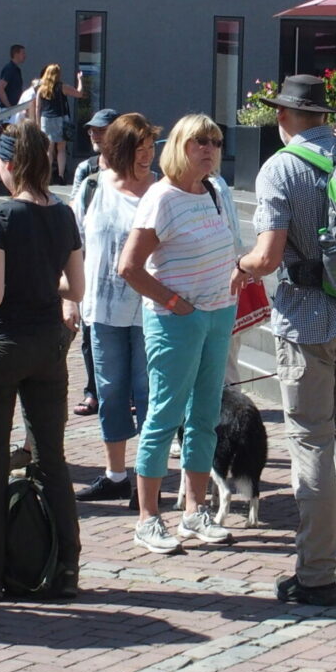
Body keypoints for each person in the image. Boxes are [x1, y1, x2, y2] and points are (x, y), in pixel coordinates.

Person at [234, 75, 336, 605]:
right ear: (323, 115)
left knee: (310, 443)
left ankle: (315, 573)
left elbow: (266, 256)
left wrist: (238, 266)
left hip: (306, 322)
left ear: (285, 116)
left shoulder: (280, 167)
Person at [0, 120, 83, 601]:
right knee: (52, 458)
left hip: (1, 345)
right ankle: (66, 567)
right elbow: (76, 287)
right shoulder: (64, 213)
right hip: (48, 344)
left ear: (7, 164)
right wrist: (39, 276)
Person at [118, 115, 238, 553]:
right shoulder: (161, 198)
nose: (208, 148)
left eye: (216, 141)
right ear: (179, 146)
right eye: (198, 141)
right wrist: (175, 304)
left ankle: (194, 509)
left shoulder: (213, 191)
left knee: (206, 416)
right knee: (164, 416)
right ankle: (149, 517)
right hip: (177, 320)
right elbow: (129, 267)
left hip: (217, 313)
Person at [70, 113, 159, 504]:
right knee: (109, 392)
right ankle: (115, 474)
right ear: (119, 151)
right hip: (102, 311)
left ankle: (146, 475)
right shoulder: (93, 187)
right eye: (139, 149)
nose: (147, 156)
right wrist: (69, 299)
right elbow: (72, 247)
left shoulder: (161, 190)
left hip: (151, 310)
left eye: (151, 147)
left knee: (148, 392)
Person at [68, 107, 120, 418]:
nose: (93, 134)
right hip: (90, 259)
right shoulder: (85, 171)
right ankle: (93, 391)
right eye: (91, 129)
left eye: (100, 129)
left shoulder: (135, 168)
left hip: (121, 262)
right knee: (90, 335)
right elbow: (74, 214)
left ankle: (122, 391)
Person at [28, 64, 87, 185]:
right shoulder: (62, 87)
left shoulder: (41, 89)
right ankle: (60, 176)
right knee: (61, 149)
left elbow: (38, 107)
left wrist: (38, 124)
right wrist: (80, 80)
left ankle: (48, 176)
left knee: (49, 150)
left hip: (46, 120)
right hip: (61, 119)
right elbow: (79, 93)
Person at [0, 44, 26, 118]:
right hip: (9, 111)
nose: (25, 56)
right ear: (16, 54)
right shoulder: (10, 69)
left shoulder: (15, 69)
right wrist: (10, 108)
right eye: (23, 53)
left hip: (14, 109)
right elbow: (0, 90)